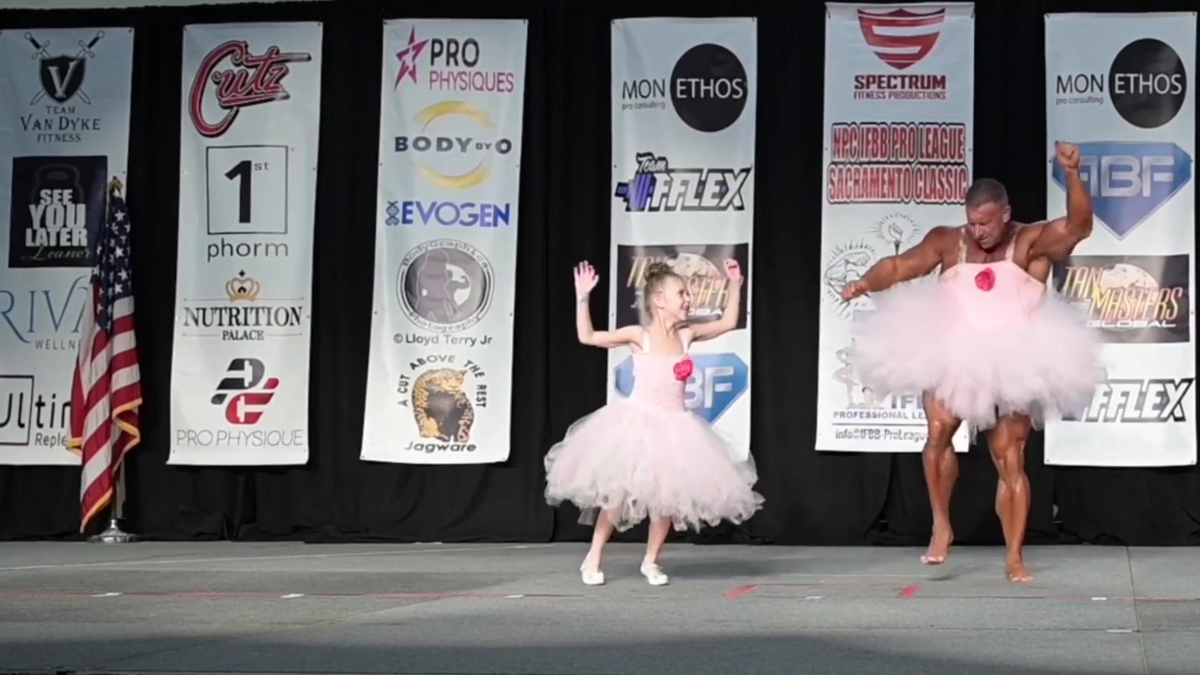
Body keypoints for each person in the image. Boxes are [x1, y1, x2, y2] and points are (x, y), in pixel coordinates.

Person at [840, 141, 1102, 583]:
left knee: (1010, 458)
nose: (978, 232)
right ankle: (941, 525)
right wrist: (865, 282)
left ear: (1005, 213)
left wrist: (1073, 174)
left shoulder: (1030, 241)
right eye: (972, 223)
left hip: (1013, 359)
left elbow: (1078, 226)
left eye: (986, 223)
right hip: (956, 352)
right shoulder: (948, 241)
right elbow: (901, 266)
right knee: (938, 433)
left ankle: (1014, 556)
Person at [544, 259, 764, 586]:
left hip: (676, 428)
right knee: (617, 496)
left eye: (687, 293)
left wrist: (735, 284)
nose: (688, 299)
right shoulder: (640, 336)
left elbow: (729, 321)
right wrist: (582, 297)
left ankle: (651, 561)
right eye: (681, 293)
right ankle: (593, 556)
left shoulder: (687, 335)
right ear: (659, 300)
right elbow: (588, 336)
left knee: (666, 500)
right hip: (637, 425)